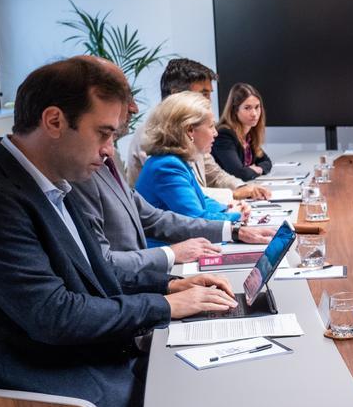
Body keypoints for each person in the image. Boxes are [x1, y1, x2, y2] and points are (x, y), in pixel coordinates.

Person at [0, 57, 240, 407]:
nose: (108, 152)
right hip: (53, 404)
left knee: (235, 376)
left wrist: (174, 284)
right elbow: (56, 316)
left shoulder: (50, 184)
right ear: (53, 121)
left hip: (92, 367)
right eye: (103, 133)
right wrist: (167, 306)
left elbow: (94, 273)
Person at [71, 60, 275, 275]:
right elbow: (191, 215)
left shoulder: (167, 159)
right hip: (147, 268)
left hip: (149, 267)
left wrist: (230, 221)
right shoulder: (164, 163)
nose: (134, 107)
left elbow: (161, 214)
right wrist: (232, 220)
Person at [125, 58, 268, 202]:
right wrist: (233, 194)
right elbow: (183, 193)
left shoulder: (191, 130)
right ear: (177, 94)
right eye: (204, 94)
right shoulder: (153, 135)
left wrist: (240, 187)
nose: (209, 101)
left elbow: (214, 173)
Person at [135, 92, 251, 231]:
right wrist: (235, 216)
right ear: (189, 130)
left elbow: (200, 200)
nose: (215, 133)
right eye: (210, 126)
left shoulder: (173, 160)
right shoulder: (167, 166)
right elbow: (195, 220)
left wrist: (228, 208)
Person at [211, 82, 273, 181]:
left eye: (257, 107)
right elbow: (238, 173)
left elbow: (266, 162)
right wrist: (249, 171)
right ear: (235, 110)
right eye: (247, 108)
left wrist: (258, 169)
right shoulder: (224, 135)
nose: (254, 114)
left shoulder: (249, 135)